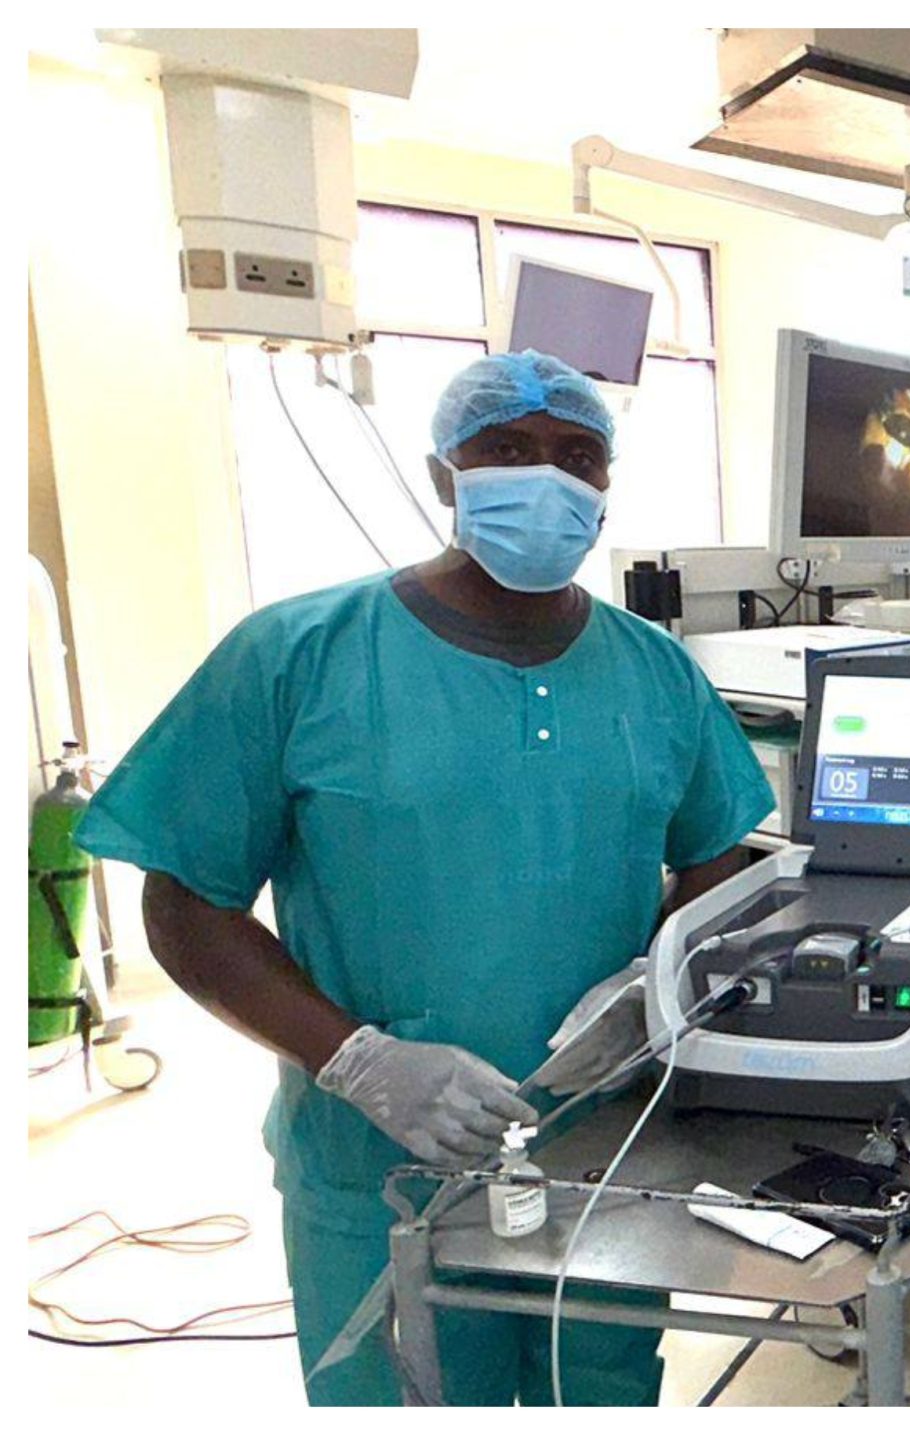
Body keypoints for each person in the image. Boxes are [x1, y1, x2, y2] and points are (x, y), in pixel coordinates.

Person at [78, 352, 777, 1406]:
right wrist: (356, 1059)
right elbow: (185, 901)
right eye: (508, 448)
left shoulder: (656, 670)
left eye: (577, 455)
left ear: (605, 486)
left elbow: (720, 851)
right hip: (380, 1177)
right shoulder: (297, 656)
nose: (546, 476)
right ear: (445, 472)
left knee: (596, 1391)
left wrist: (655, 987)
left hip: (606, 1153)